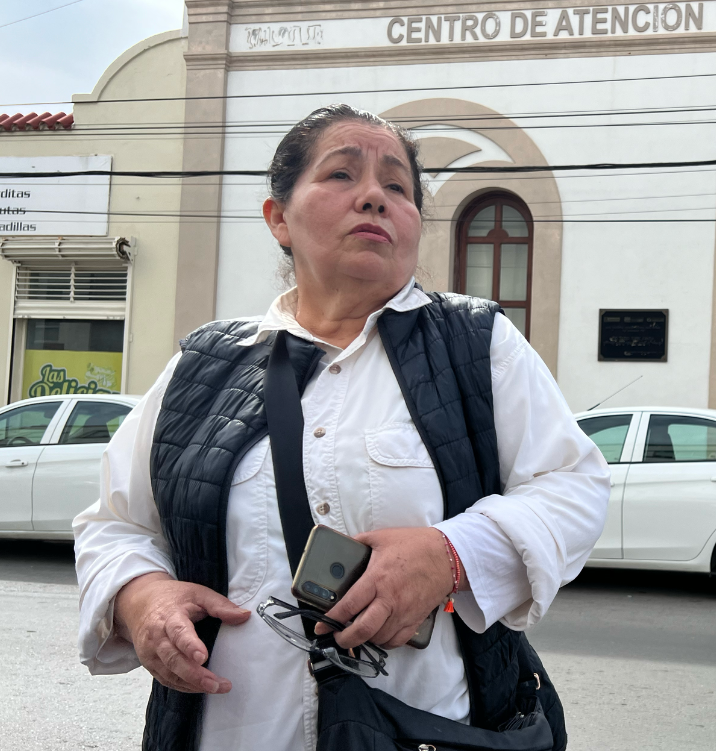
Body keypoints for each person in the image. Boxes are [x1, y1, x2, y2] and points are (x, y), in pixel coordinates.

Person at [73, 104, 611, 751]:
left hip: (428, 731)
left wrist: (453, 557)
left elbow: (574, 487)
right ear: (279, 220)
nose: (374, 199)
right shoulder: (204, 365)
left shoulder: (477, 344)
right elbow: (115, 522)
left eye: (397, 187)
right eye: (341, 175)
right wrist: (141, 597)